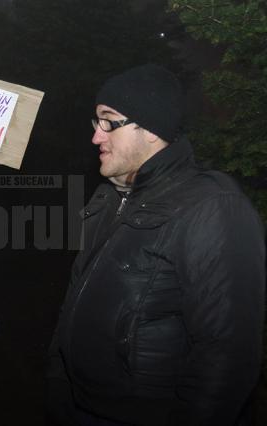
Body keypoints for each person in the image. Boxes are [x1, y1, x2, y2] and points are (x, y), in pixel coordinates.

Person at [47, 64, 265, 426]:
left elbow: (227, 357)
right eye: (95, 123)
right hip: (81, 407)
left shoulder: (211, 206)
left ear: (150, 129)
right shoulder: (109, 198)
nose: (96, 138)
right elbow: (75, 299)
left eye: (108, 121)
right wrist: (59, 386)